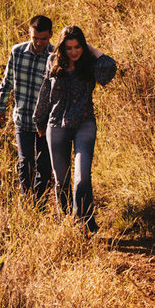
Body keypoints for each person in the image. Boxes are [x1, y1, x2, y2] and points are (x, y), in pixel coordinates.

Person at [33, 25, 117, 233]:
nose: (74, 52)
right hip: (56, 124)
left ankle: (82, 220)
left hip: (84, 123)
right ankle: (70, 220)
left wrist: (91, 49)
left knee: (82, 176)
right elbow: (45, 91)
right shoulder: (53, 61)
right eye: (69, 47)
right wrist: (39, 120)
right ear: (62, 48)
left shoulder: (90, 64)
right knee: (61, 179)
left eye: (78, 46)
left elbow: (109, 69)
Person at [0, 15, 55, 201]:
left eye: (43, 38)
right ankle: (26, 200)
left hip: (45, 123)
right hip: (22, 117)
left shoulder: (55, 58)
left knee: (44, 165)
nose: (38, 42)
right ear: (30, 33)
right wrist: (1, 107)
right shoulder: (17, 52)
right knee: (25, 162)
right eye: (35, 38)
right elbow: (7, 82)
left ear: (50, 35)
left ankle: (39, 202)